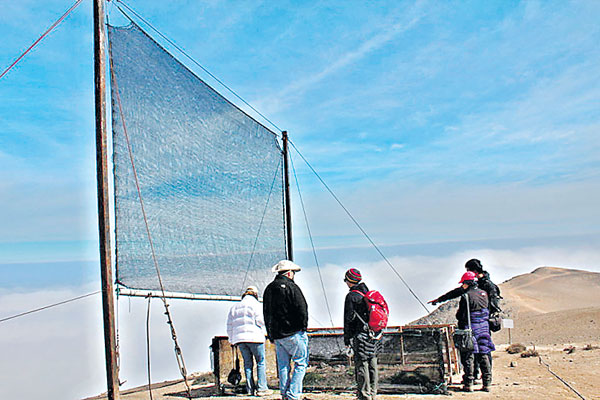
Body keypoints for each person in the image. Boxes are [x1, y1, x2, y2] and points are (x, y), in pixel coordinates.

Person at [263, 260, 309, 400]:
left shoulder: (269, 289)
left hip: (277, 335)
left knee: (283, 366)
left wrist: (271, 334)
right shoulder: (292, 287)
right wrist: (303, 326)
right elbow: (302, 308)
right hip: (294, 332)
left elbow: (266, 313)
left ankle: (284, 393)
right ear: (289, 273)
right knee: (301, 362)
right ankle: (293, 394)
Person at [451, 271, 495, 392]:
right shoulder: (484, 293)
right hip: (485, 328)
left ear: (467, 283)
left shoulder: (466, 296)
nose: (462, 286)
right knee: (484, 353)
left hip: (471, 329)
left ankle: (468, 384)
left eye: (463, 284)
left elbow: (461, 315)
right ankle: (487, 384)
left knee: (469, 356)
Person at [226, 286, 273, 396]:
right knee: (260, 362)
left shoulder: (234, 307)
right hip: (255, 338)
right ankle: (262, 388)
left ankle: (250, 389)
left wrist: (232, 340)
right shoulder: (256, 305)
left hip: (240, 340)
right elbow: (261, 321)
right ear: (255, 294)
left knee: (248, 364)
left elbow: (229, 326)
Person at [343, 268, 379, 400]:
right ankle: (373, 393)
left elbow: (348, 319)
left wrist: (347, 339)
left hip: (360, 334)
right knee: (372, 361)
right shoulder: (368, 293)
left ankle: (364, 395)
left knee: (362, 364)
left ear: (350, 281)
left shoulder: (351, 296)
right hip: (373, 333)